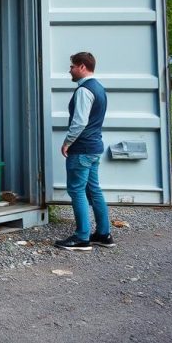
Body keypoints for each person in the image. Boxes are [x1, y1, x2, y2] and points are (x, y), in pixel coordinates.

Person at [55, 51, 116, 251]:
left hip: (82, 148)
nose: (70, 70)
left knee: (77, 190)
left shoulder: (83, 90)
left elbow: (79, 121)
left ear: (82, 66)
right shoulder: (99, 88)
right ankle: (103, 234)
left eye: (72, 66)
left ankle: (82, 237)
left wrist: (67, 142)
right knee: (93, 190)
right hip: (95, 147)